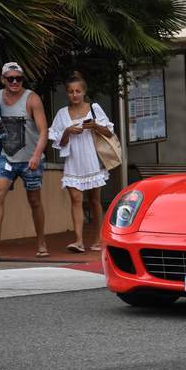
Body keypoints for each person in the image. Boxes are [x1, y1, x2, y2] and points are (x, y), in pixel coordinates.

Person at [0, 62, 49, 260]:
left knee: (34, 200)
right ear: (3, 80)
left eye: (19, 78)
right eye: (10, 78)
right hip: (7, 157)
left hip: (30, 159)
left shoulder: (31, 98)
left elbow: (44, 131)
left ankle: (41, 243)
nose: (15, 82)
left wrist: (36, 155)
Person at [48, 72, 114, 253]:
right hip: (73, 161)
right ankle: (78, 241)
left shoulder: (94, 108)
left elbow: (109, 133)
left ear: (84, 91)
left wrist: (95, 125)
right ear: (67, 93)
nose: (74, 94)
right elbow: (59, 143)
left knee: (94, 200)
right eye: (71, 92)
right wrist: (67, 131)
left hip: (92, 159)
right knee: (76, 200)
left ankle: (98, 239)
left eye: (78, 91)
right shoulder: (62, 114)